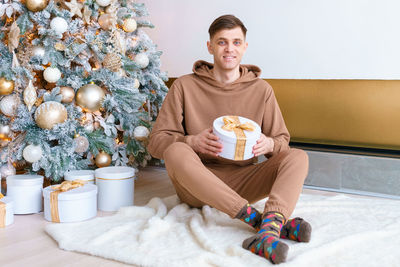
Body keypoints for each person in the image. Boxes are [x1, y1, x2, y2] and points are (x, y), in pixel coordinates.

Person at [148, 14, 311, 264]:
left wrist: (270, 144)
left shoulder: (261, 90)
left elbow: (282, 142)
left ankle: (268, 230)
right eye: (222, 42)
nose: (229, 49)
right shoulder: (184, 86)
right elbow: (157, 143)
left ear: (245, 47)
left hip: (244, 181)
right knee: (176, 151)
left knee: (298, 156)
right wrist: (191, 142)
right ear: (210, 46)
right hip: (198, 184)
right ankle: (257, 221)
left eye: (236, 42)